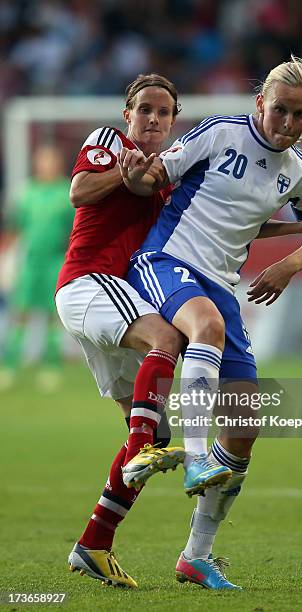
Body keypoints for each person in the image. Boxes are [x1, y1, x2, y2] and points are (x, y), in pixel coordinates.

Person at [118, 56, 302, 590]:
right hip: (167, 261)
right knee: (206, 328)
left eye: (299, 115)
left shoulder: (301, 175)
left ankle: (196, 556)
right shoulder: (218, 134)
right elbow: (156, 178)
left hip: (221, 286)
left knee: (243, 428)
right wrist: (138, 177)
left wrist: (288, 265)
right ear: (260, 103)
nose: (287, 124)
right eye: (279, 110)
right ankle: (193, 458)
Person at [55, 74, 188, 589]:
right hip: (89, 282)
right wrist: (124, 172)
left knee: (153, 429)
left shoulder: (169, 175)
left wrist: (295, 228)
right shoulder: (109, 143)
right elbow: (79, 191)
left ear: (174, 122)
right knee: (168, 340)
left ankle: (94, 544)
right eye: (145, 110)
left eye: (163, 113)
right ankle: (143, 446)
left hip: (110, 298)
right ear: (127, 114)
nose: (153, 119)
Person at [0, 144, 73, 392]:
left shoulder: (67, 193)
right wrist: (6, 260)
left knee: (55, 315)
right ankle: (9, 365)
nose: (47, 165)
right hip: (30, 262)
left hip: (56, 261)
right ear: (36, 163)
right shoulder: (26, 192)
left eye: (51, 160)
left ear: (58, 164)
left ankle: (51, 366)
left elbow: (75, 232)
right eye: (43, 160)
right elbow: (13, 228)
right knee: (20, 314)